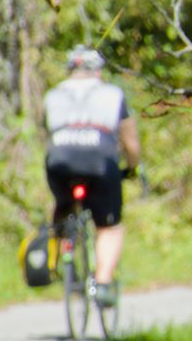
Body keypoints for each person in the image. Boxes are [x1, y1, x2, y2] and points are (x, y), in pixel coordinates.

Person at [44, 44, 141, 306]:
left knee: (62, 205)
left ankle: (60, 258)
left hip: (60, 160)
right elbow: (130, 141)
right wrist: (132, 167)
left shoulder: (53, 94)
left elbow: (47, 133)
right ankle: (104, 283)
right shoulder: (112, 94)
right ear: (98, 71)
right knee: (109, 227)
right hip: (100, 160)